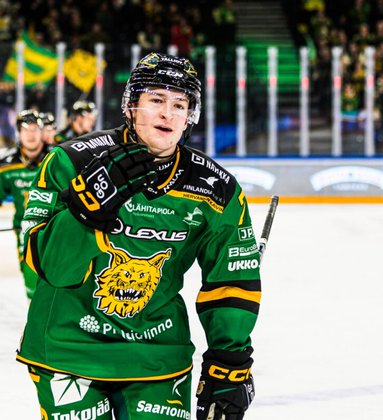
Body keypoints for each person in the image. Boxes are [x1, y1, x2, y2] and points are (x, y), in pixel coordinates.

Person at [17, 52, 260, 419]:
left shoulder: (216, 187)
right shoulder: (71, 162)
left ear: (189, 117)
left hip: (158, 354)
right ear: (131, 106)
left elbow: (232, 279)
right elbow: (47, 267)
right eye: (156, 100)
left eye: (179, 104)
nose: (168, 114)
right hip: (69, 347)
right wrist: (86, 211)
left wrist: (230, 359)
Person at [0, 109, 52, 299]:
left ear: (42, 132)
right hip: (25, 232)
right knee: (32, 283)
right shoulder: (6, 165)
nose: (31, 134)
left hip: (55, 228)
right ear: (18, 133)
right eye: (25, 129)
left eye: (35, 129)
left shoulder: (57, 159)